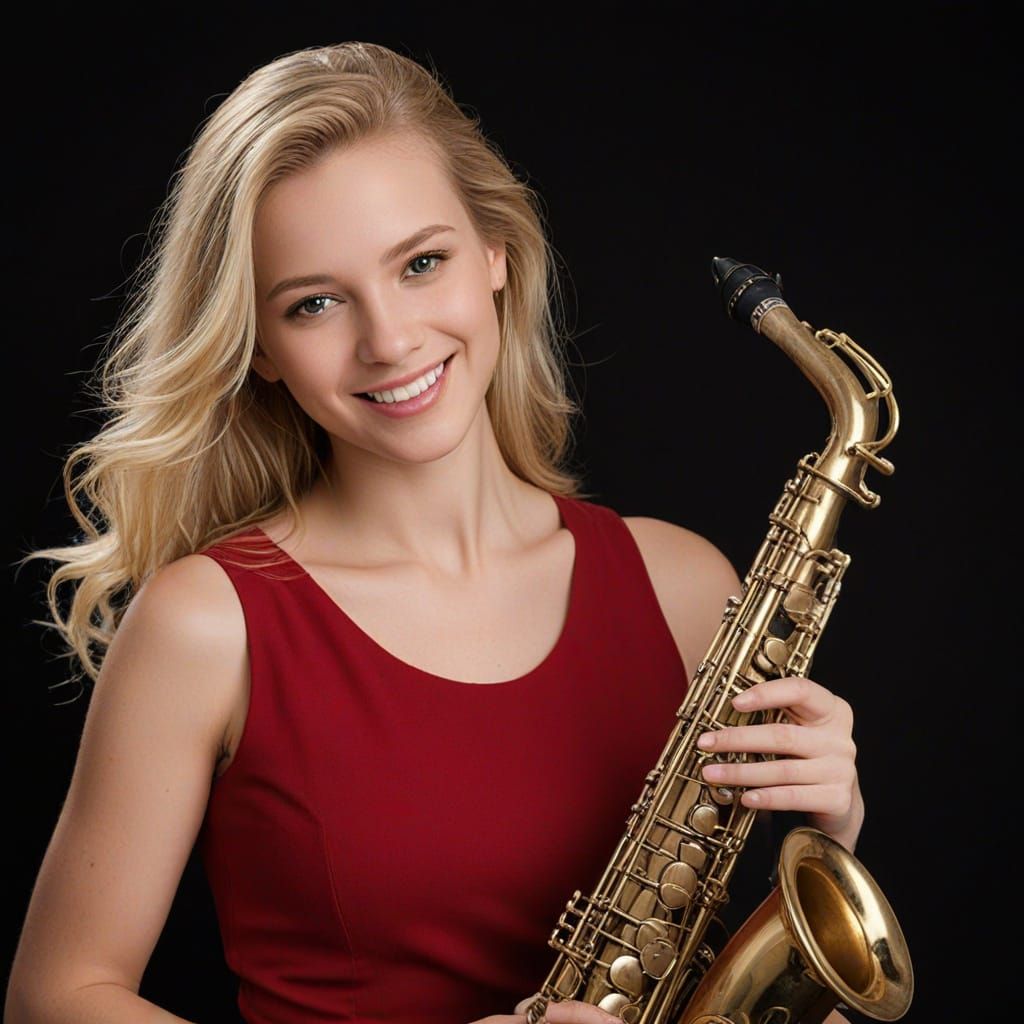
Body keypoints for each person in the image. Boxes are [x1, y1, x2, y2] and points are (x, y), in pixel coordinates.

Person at [5, 42, 863, 1024]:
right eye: (314, 302)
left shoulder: (681, 582)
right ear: (262, 348)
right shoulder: (209, 621)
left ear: (496, 253)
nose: (390, 339)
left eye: (421, 262)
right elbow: (53, 997)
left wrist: (826, 829)